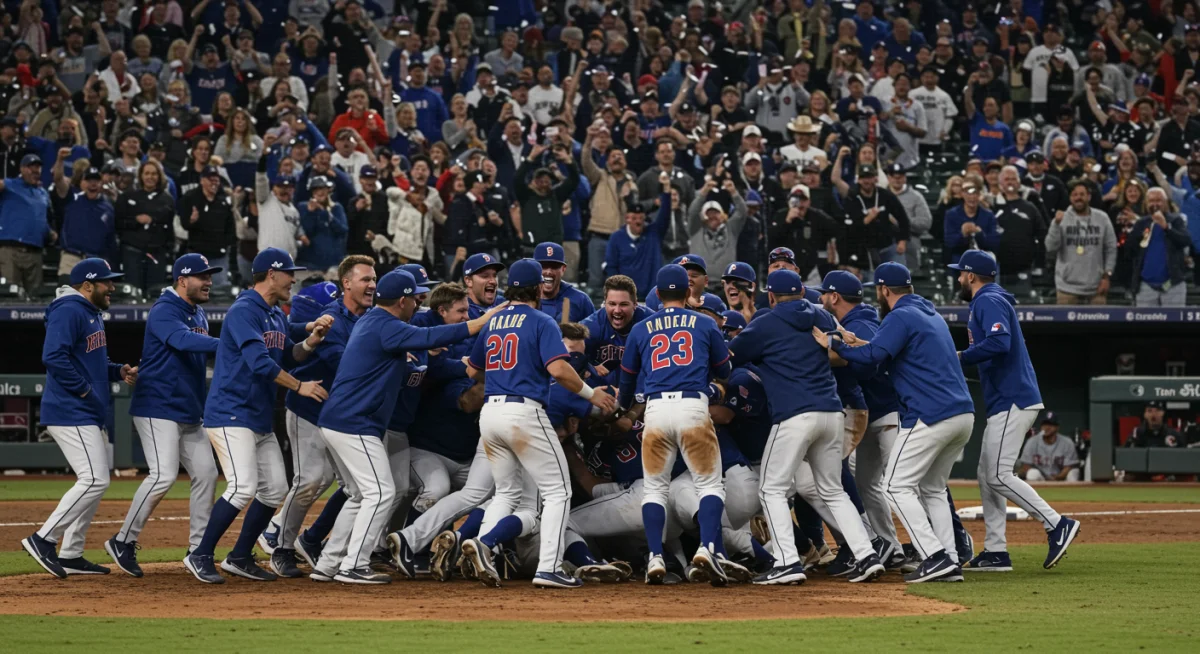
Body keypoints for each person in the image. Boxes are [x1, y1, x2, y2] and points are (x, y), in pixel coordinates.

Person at [315, 269, 504, 584]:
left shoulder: (372, 321)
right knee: (381, 492)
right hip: (354, 423)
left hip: (341, 421)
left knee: (361, 495)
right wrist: (481, 322)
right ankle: (354, 565)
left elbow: (415, 358)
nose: (419, 303)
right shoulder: (385, 325)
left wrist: (432, 359)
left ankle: (328, 563)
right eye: (414, 297)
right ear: (401, 301)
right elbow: (430, 336)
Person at [814, 262, 974, 583]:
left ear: (884, 290)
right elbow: (877, 350)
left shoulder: (900, 316)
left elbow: (873, 358)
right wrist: (854, 343)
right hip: (963, 414)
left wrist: (834, 344)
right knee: (932, 489)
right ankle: (950, 558)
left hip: (930, 414)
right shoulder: (928, 313)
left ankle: (934, 556)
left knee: (893, 486)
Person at [460, 259, 615, 589]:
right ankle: (549, 567)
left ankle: (484, 547)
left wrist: (505, 372)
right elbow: (559, 370)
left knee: (506, 492)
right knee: (559, 491)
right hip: (523, 411)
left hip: (490, 413)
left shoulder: (494, 320)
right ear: (536, 289)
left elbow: (472, 370)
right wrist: (591, 394)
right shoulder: (542, 320)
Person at [183, 248, 332, 585]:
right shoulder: (244, 310)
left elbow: (287, 356)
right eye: (289, 273)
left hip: (257, 415)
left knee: (275, 489)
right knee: (242, 487)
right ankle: (199, 554)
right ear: (271, 274)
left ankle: (239, 556)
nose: (293, 280)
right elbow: (260, 363)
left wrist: (310, 341)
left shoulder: (275, 313)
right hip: (230, 413)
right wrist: (299, 387)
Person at [729, 268, 886, 586]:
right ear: (801, 291)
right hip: (832, 413)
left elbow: (732, 355)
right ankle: (867, 554)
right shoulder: (821, 315)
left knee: (770, 489)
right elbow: (843, 343)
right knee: (833, 489)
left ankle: (787, 561)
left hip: (795, 415)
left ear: (771, 296)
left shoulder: (766, 321)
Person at [950, 251, 1081, 574]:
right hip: (1005, 399)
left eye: (960, 273)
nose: (958, 278)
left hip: (1013, 398)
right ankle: (996, 551)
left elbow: (999, 342)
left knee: (998, 474)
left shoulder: (988, 299)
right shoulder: (989, 300)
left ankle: (1056, 523)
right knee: (987, 474)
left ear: (971, 275)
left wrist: (960, 357)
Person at [615, 265, 734, 586]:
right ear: (688, 292)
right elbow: (725, 370)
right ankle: (708, 548)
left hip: (655, 410)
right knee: (709, 486)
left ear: (657, 294)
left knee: (654, 488)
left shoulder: (642, 327)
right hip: (692, 406)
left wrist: (624, 406)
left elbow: (627, 380)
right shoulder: (704, 322)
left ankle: (655, 555)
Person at [107, 254, 222, 577]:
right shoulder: (165, 308)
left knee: (207, 474)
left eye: (210, 275)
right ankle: (123, 540)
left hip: (188, 409)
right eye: (202, 276)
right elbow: (181, 340)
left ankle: (198, 550)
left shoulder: (197, 311)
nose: (209, 281)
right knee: (163, 475)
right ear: (182, 280)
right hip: (157, 406)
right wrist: (229, 342)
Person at [23, 258, 135, 578]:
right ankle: (43, 539)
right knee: (94, 479)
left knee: (97, 481)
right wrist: (84, 389)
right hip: (69, 408)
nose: (112, 287)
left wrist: (118, 371)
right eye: (106, 282)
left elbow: (90, 361)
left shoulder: (90, 312)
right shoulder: (69, 309)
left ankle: (71, 553)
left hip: (84, 409)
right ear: (87, 285)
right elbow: (53, 356)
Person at [266, 255, 377, 579]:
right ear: (346, 283)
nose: (372, 285)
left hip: (341, 417)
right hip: (310, 409)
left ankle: (324, 548)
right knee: (310, 480)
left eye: (374, 279)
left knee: (357, 488)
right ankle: (280, 546)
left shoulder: (370, 318)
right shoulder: (332, 318)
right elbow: (343, 365)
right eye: (365, 279)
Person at [815, 270, 905, 570]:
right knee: (868, 484)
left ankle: (939, 547)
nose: (821, 299)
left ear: (834, 296)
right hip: (872, 412)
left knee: (902, 484)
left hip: (887, 409)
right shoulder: (851, 321)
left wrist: (837, 349)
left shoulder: (860, 322)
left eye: (824, 294)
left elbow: (868, 366)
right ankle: (889, 546)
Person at [1044, 180, 1117, 305]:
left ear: (1089, 197)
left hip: (1097, 287)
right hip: (1066, 288)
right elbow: (1050, 247)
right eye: (1075, 195)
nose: (1078, 198)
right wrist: (1056, 224)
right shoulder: (1061, 219)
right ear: (1070, 198)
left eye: (1082, 194)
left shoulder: (1102, 218)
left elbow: (1111, 248)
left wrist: (1107, 276)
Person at [1127, 188, 1192, 307]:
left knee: (1174, 319)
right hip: (1146, 286)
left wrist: (1166, 227)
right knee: (1145, 319)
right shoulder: (1141, 223)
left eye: (1158, 200)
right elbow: (1130, 250)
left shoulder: (1176, 220)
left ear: (1165, 202)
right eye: (1151, 201)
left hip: (1173, 284)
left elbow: (1185, 240)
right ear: (1146, 203)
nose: (1155, 204)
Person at [0, 154, 55, 294]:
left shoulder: (43, 193)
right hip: (11, 249)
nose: (35, 171)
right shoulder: (10, 184)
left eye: (38, 168)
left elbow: (41, 218)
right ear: (22, 169)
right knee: (9, 293)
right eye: (31, 167)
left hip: (35, 251)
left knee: (36, 296)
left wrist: (49, 232)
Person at [179, 166, 236, 287]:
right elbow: (184, 224)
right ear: (202, 180)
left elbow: (230, 226)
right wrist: (191, 221)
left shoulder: (224, 200)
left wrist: (226, 245)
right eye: (211, 180)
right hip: (197, 254)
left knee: (220, 290)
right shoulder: (190, 197)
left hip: (218, 255)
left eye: (216, 180)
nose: (214, 183)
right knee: (196, 289)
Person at [536, 242, 594, 323]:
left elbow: (595, 329)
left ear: (563, 269)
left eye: (554, 266)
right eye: (543, 266)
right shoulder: (523, 299)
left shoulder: (580, 299)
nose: (549, 272)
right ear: (534, 268)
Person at [1019, 413, 1082, 482]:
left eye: (1050, 424)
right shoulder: (1032, 441)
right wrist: (1047, 478)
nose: (1046, 427)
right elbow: (1026, 465)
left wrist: (1058, 477)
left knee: (1074, 472)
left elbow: (1069, 466)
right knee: (1032, 473)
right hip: (1041, 479)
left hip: (1062, 478)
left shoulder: (1067, 442)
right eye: (1044, 424)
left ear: (1057, 427)